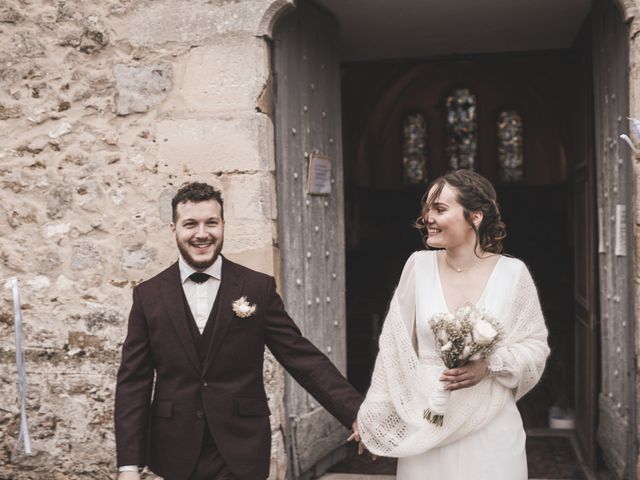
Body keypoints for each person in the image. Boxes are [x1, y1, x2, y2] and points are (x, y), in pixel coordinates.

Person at [114, 182, 362, 480]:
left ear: (223, 225)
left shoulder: (257, 287)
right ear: (174, 229)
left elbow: (301, 358)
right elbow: (133, 382)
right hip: (174, 448)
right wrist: (128, 464)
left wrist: (356, 413)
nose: (202, 233)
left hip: (240, 447)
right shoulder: (148, 295)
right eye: (190, 224)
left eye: (211, 223)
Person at [356, 169, 550, 479]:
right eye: (428, 208)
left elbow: (535, 347)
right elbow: (393, 349)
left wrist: (489, 365)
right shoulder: (418, 267)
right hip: (427, 423)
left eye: (440, 209)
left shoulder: (513, 273)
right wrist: (375, 414)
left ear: (475, 216)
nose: (427, 218)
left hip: (490, 426)